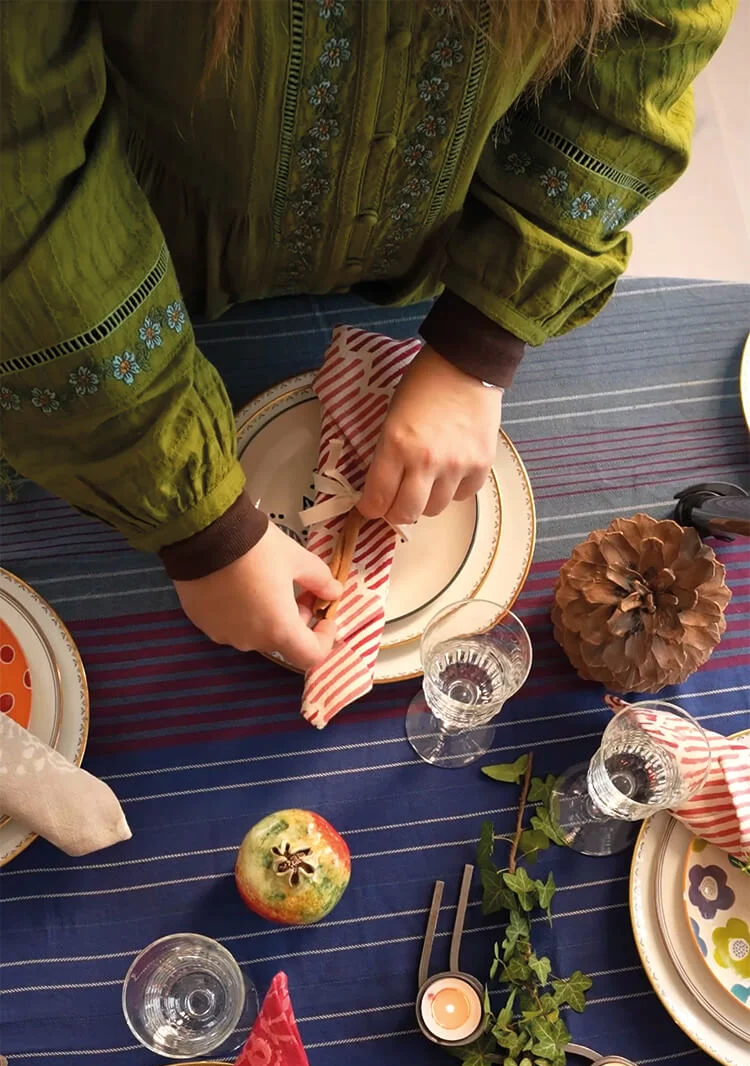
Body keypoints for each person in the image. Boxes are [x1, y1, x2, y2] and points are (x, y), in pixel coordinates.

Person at [0, 0, 732, 669]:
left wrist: (476, 344)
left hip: (436, 267)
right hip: (135, 297)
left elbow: (646, 48)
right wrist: (198, 525)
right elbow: (22, 189)